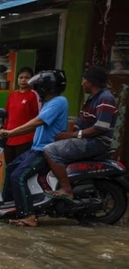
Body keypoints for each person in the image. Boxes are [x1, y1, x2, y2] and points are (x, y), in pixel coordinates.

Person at [0, 69, 69, 228]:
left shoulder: (58, 101)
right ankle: (10, 206)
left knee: (18, 176)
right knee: (11, 169)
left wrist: (11, 132)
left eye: (39, 85)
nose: (36, 88)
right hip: (37, 148)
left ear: (46, 86)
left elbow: (37, 122)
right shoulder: (48, 102)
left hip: (46, 150)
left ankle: (28, 215)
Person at [42, 66, 117, 202]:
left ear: (91, 82)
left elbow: (100, 127)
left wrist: (72, 135)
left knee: (50, 150)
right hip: (89, 140)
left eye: (84, 80)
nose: (82, 83)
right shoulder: (94, 98)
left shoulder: (105, 98)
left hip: (96, 142)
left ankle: (66, 189)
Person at [2, 67, 40, 165]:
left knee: (20, 169)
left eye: (27, 78)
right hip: (9, 139)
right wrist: (4, 132)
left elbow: (39, 118)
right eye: (21, 77)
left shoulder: (33, 95)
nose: (23, 80)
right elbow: (6, 115)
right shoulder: (12, 95)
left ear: (32, 79)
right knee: (9, 167)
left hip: (26, 139)